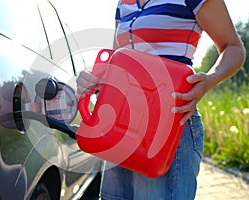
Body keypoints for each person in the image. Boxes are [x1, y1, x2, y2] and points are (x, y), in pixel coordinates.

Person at [76, 0, 246, 199]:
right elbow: (118, 60)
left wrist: (209, 79)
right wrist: (95, 78)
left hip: (169, 123)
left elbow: (234, 48)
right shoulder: (124, 3)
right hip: (121, 125)